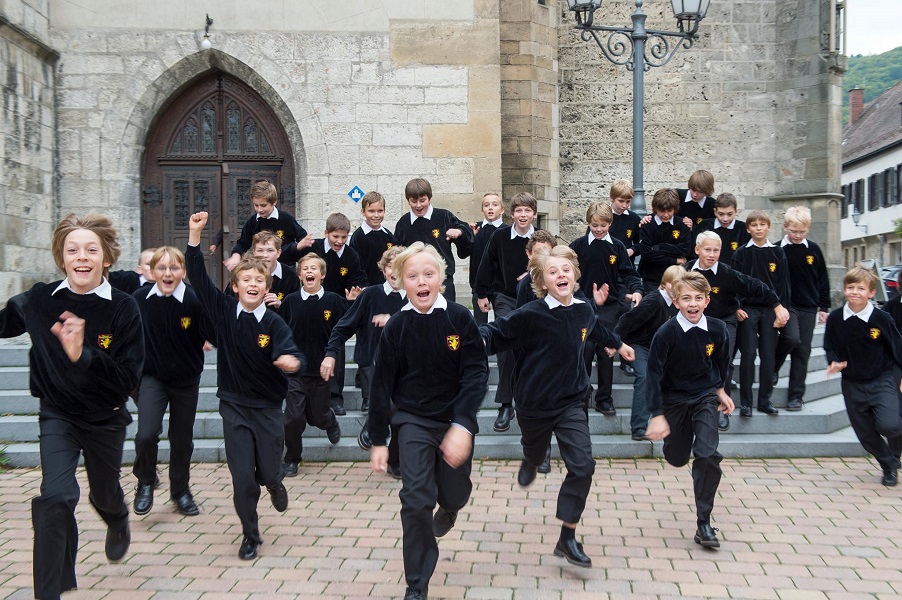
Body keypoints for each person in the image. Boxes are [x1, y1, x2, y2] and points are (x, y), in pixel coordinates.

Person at [0, 214, 144, 599]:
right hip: (58, 415)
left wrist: (83, 354)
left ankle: (117, 519)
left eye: (91, 249)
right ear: (61, 258)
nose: (82, 257)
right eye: (72, 250)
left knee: (103, 494)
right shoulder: (38, 300)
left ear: (106, 258)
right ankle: (49, 592)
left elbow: (129, 380)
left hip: (106, 419)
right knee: (56, 497)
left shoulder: (124, 308)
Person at [481, 246, 634, 569]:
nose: (561, 274)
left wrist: (617, 344)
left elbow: (596, 329)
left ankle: (567, 535)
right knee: (536, 452)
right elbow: (495, 333)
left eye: (566, 269)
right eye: (553, 271)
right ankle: (532, 458)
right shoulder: (531, 314)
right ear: (542, 282)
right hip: (534, 404)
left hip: (572, 402)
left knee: (583, 466)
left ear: (575, 276)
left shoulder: (583, 310)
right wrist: (469, 338)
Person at [369, 242, 488, 600]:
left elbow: (476, 374)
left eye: (428, 274)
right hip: (413, 420)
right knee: (415, 498)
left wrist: (463, 425)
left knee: (454, 491)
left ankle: (451, 506)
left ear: (441, 278)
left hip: (453, 419)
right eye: (412, 276)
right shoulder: (396, 327)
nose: (421, 281)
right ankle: (416, 583)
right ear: (401, 283)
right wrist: (378, 439)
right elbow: (381, 385)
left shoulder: (459, 318)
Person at [186, 211, 302, 561]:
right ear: (235, 286)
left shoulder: (274, 322)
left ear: (266, 288)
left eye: (259, 280)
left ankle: (275, 483)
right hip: (234, 405)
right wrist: (194, 237)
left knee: (268, 470)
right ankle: (250, 534)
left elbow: (292, 352)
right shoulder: (222, 311)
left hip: (267, 408)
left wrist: (292, 362)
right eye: (246, 279)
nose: (253, 284)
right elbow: (198, 279)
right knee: (242, 479)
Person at [645, 271, 734, 549]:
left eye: (698, 298)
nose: (693, 304)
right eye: (686, 298)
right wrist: (657, 414)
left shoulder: (718, 329)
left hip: (704, 397)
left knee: (708, 456)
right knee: (676, 456)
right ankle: (675, 448)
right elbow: (653, 375)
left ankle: (704, 523)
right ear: (675, 301)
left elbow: (722, 362)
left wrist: (720, 390)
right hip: (673, 401)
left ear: (707, 300)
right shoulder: (666, 333)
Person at [131, 245, 214, 517]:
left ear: (183, 272)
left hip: (185, 380)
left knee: (181, 439)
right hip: (152, 377)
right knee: (145, 435)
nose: (168, 273)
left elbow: (213, 332)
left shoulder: (193, 300)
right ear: (152, 272)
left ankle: (180, 491)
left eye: (174, 268)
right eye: (162, 268)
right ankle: (145, 481)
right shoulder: (139, 299)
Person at [322, 245, 408, 478]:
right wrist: (331, 353)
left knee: (401, 413)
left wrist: (393, 320)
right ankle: (373, 425)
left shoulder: (415, 296)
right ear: (383, 270)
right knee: (387, 404)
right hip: (373, 361)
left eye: (400, 265)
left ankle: (395, 458)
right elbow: (344, 326)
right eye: (390, 265)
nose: (394, 270)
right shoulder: (370, 295)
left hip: (405, 366)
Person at [689, 231, 788, 431]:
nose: (712, 254)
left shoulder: (726, 272)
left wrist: (777, 305)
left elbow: (755, 285)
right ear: (697, 250)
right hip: (695, 323)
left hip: (725, 322)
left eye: (716, 250)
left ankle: (721, 407)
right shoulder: (686, 272)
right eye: (707, 250)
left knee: (723, 363)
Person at [825, 266, 902, 487]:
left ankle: (893, 454)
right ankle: (889, 465)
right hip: (852, 383)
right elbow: (830, 346)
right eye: (850, 287)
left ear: (871, 292)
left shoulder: (881, 318)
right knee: (866, 434)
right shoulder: (836, 319)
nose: (855, 292)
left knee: (890, 426)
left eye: (861, 288)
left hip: (882, 379)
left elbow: (897, 347)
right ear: (844, 289)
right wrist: (834, 362)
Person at [570, 202, 643, 415]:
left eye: (603, 225)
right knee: (584, 351)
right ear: (588, 224)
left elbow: (628, 273)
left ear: (610, 224)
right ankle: (582, 394)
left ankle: (604, 398)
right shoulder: (578, 246)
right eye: (594, 225)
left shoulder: (618, 247)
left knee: (605, 352)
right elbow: (569, 273)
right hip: (583, 306)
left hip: (609, 308)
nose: (599, 229)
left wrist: (636, 290)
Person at [278, 252, 347, 476]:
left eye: (314, 268)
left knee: (318, 416)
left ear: (322, 275)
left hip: (322, 371)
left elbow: (345, 327)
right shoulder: (290, 301)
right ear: (299, 275)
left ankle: (330, 422)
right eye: (305, 268)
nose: (309, 272)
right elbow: (280, 330)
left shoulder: (333, 301)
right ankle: (292, 458)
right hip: (296, 372)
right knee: (293, 418)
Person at [475, 192, 537, 432]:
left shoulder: (541, 238)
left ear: (534, 213)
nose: (523, 215)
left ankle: (531, 403)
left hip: (534, 300)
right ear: (512, 214)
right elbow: (486, 265)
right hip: (505, 298)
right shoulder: (500, 236)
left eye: (527, 211)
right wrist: (482, 294)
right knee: (506, 344)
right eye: (519, 211)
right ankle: (505, 404)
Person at [732, 210, 794, 417]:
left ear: (769, 227)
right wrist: (737, 307)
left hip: (770, 310)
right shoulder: (741, 253)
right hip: (748, 310)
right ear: (748, 228)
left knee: (768, 355)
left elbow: (784, 285)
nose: (758, 228)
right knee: (748, 354)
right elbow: (735, 284)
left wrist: (782, 311)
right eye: (754, 225)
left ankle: (765, 400)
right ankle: (746, 403)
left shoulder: (777, 253)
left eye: (762, 224)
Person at [614, 265, 682, 440]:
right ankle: (638, 427)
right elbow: (628, 320)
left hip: (659, 348)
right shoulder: (653, 301)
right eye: (674, 285)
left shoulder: (678, 302)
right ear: (665, 283)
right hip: (639, 346)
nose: (677, 290)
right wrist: (614, 342)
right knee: (644, 377)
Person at [773, 206, 831, 411]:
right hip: (786, 305)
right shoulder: (777, 249)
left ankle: (795, 396)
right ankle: (773, 368)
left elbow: (823, 279)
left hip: (808, 305)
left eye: (802, 232)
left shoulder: (813, 250)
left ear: (808, 229)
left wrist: (824, 306)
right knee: (791, 338)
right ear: (785, 227)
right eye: (793, 231)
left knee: (802, 351)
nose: (797, 236)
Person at [310, 212, 367, 415]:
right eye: (335, 237)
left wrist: (356, 292)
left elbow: (358, 278)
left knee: (337, 351)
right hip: (313, 306)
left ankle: (335, 398)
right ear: (326, 233)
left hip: (338, 309)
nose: (339, 241)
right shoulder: (314, 249)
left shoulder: (351, 255)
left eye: (344, 237)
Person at [393, 177, 474, 302]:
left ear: (429, 198)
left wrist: (460, 232)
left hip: (443, 281)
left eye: (422, 200)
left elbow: (467, 239)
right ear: (408, 201)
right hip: (415, 283)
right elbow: (397, 252)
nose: (418, 205)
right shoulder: (403, 223)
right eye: (414, 201)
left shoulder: (444, 216)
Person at [223, 180, 313, 270]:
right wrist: (236, 255)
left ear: (274, 202)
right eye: (256, 205)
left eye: (263, 205)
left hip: (286, 268)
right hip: (262, 269)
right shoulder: (253, 221)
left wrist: (300, 246)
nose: (259, 209)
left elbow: (302, 238)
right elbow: (243, 243)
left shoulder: (286, 219)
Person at [225, 231, 300, 310]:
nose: (265, 255)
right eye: (260, 251)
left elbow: (297, 309)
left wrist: (281, 305)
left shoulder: (291, 276)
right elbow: (226, 303)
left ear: (278, 253)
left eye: (270, 250)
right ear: (254, 252)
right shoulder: (242, 272)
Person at [637, 188, 692, 293]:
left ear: (675, 209)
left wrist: (658, 247)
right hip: (651, 277)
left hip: (676, 278)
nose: (666, 215)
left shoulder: (682, 224)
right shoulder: (647, 224)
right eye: (662, 211)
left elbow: (684, 250)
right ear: (655, 208)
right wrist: (675, 260)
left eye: (669, 211)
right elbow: (647, 254)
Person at [469, 192, 505, 326]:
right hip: (479, 286)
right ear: (482, 210)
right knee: (479, 326)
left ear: (502, 210)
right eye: (486, 205)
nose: (490, 208)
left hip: (500, 288)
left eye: (495, 205)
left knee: (502, 324)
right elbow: (464, 252)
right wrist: (471, 238)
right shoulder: (475, 229)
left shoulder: (507, 231)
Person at [349, 191, 397, 286]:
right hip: (367, 288)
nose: (376, 215)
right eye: (371, 211)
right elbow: (357, 267)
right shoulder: (358, 237)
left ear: (384, 210)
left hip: (388, 287)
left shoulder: (389, 236)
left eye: (380, 211)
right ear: (363, 212)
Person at [694, 193, 749, 266]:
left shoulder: (744, 229)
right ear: (715, 212)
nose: (725, 219)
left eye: (729, 214)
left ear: (736, 211)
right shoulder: (704, 226)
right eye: (721, 214)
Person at [608, 179, 641, 267]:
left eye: (628, 201)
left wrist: (632, 250)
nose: (624, 206)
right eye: (621, 201)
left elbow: (641, 242)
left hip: (626, 267)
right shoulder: (602, 216)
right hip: (606, 267)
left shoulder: (633, 218)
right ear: (611, 198)